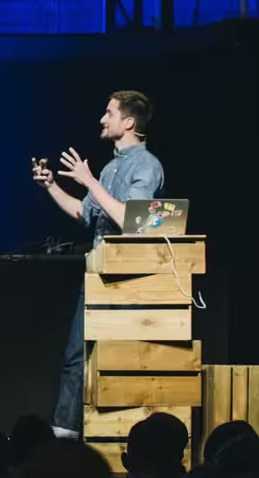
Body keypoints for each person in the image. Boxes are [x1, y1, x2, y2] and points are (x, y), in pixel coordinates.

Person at [32, 90, 164, 439]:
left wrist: (89, 180)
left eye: (109, 113)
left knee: (121, 362)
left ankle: (126, 438)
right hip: (97, 274)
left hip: (127, 279)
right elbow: (83, 213)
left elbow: (133, 221)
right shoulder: (109, 169)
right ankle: (64, 437)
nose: (102, 119)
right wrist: (52, 187)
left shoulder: (146, 166)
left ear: (128, 122)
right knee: (76, 359)